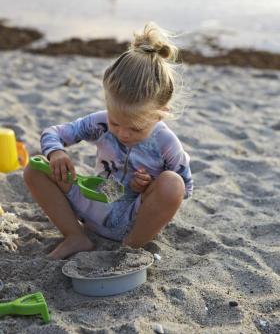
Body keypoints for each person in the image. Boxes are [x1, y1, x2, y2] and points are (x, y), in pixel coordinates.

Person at [24, 23, 193, 260]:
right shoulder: (100, 123)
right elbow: (53, 133)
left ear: (161, 112)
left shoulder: (166, 142)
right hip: (96, 197)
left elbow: (185, 188)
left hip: (133, 218)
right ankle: (75, 236)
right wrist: (57, 154)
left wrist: (150, 185)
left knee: (172, 183)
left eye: (135, 128)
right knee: (35, 167)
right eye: (116, 123)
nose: (122, 133)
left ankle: (129, 250)